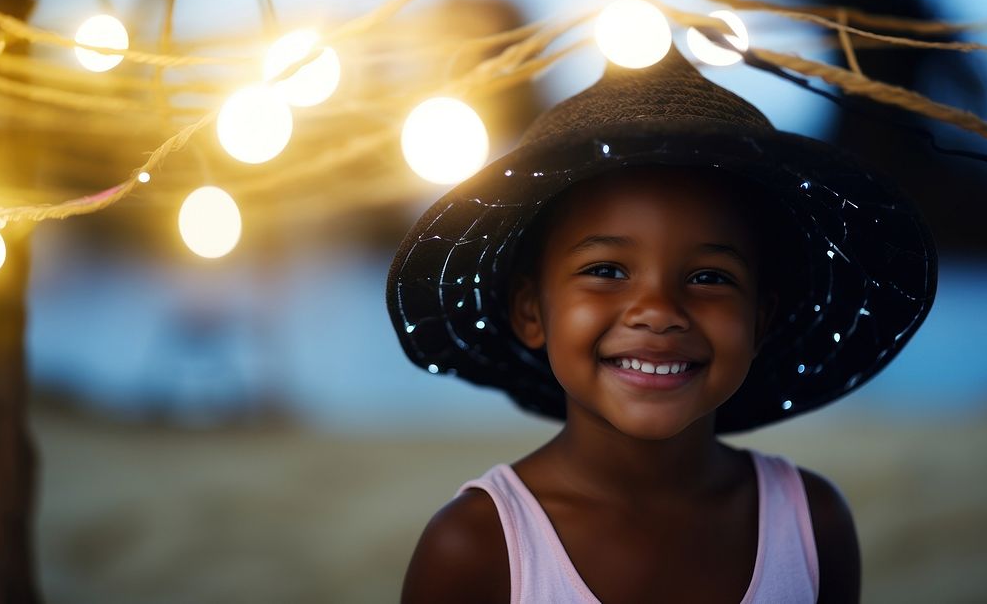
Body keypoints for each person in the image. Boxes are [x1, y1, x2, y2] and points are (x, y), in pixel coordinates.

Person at [386, 46, 937, 603]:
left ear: (760, 319)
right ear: (531, 311)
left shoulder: (814, 526)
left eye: (709, 277)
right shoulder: (477, 548)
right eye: (606, 270)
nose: (659, 310)